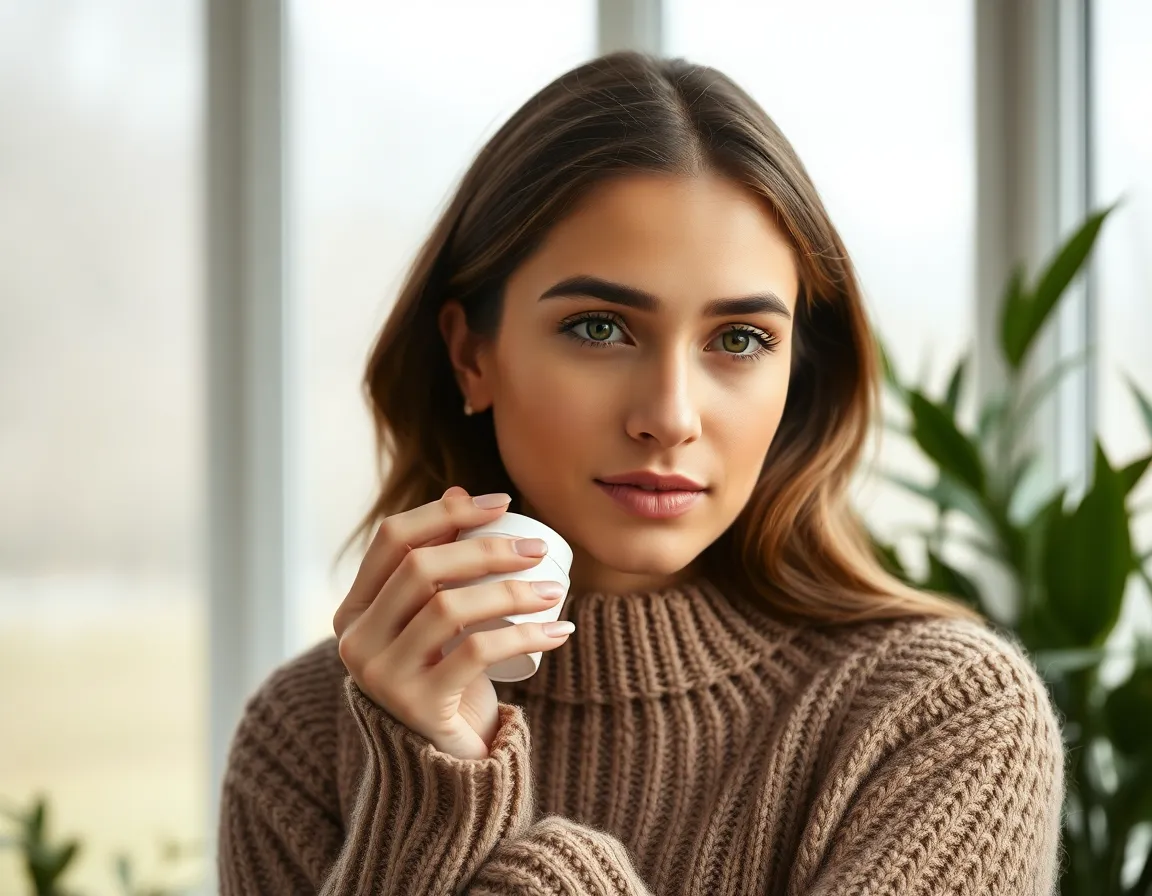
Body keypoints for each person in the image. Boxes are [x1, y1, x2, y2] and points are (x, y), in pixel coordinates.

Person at [217, 50, 1066, 895]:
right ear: (471, 354)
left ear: (797, 373)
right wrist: (429, 783)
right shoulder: (301, 737)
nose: (671, 415)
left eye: (739, 339)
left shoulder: (946, 717)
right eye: (598, 328)